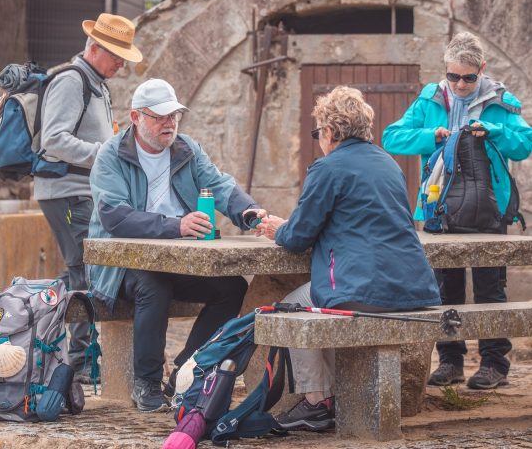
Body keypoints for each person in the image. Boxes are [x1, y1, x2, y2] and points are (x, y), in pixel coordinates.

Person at [256, 86, 441, 431]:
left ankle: (315, 401)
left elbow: (297, 238)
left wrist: (277, 229)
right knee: (319, 303)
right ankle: (330, 396)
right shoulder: (389, 164)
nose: (319, 139)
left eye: (318, 132)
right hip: (412, 287)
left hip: (363, 289)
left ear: (329, 131)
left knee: (293, 305)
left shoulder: (328, 168)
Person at [87, 78, 264, 412]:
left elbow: (220, 185)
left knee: (232, 287)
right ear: (136, 117)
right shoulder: (110, 155)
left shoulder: (187, 149)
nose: (169, 123)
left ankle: (186, 369)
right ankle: (147, 383)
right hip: (119, 266)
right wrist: (176, 226)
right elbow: (116, 217)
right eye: (160, 116)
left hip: (178, 260)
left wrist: (249, 213)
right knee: (153, 283)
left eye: (174, 115)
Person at [382, 31, 532, 390]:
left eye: (468, 77)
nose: (460, 84)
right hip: (440, 207)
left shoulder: (502, 101)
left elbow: (524, 145)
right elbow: (391, 137)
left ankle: (495, 364)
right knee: (445, 288)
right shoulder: (430, 98)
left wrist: (492, 131)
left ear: (482, 69)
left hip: (489, 208)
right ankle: (451, 361)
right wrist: (431, 136)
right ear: (445, 71)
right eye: (453, 76)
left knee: (490, 288)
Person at [34, 13, 143, 381]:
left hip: (81, 191)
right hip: (66, 191)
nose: (120, 63)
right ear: (93, 48)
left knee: (81, 269)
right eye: (115, 55)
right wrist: (104, 153)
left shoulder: (95, 82)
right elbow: (53, 139)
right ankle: (76, 362)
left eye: (123, 56)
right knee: (83, 268)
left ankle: (65, 352)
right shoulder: (72, 80)